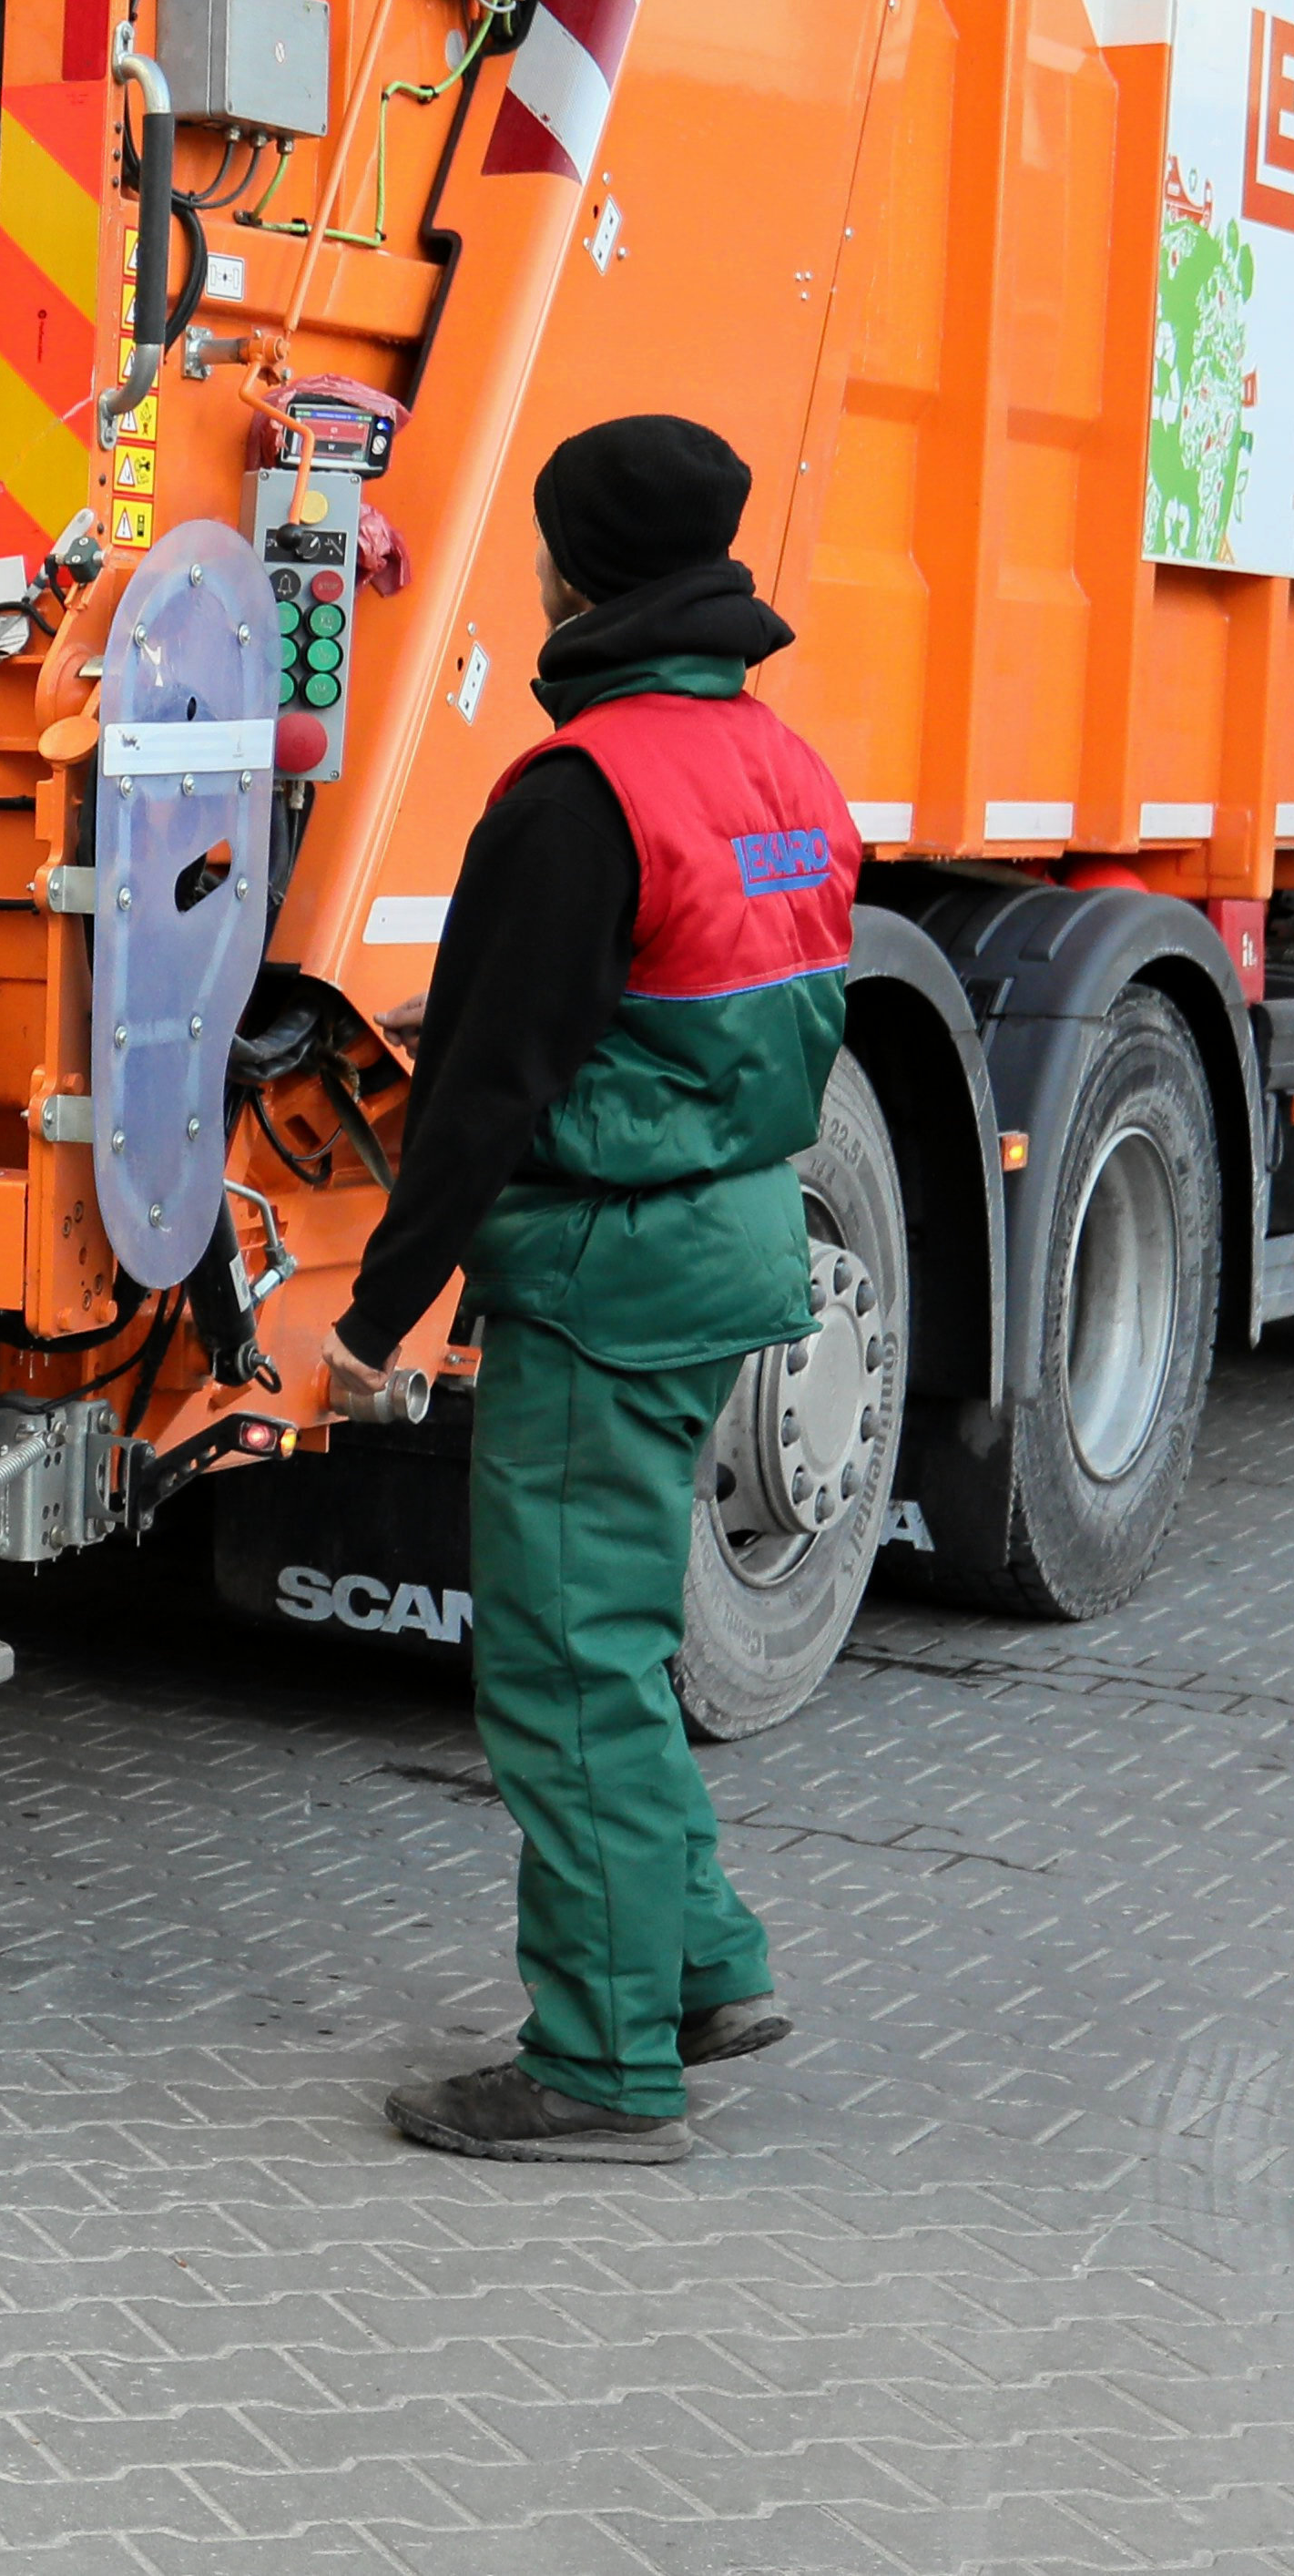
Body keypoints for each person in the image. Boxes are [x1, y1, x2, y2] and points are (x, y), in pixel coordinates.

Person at [320, 414, 855, 2166]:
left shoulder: (580, 795)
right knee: (615, 1637)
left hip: (602, 1272)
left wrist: (368, 1316)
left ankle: (602, 2064)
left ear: (575, 567)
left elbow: (486, 1084)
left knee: (563, 1669)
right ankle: (700, 1959)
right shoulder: (784, 769)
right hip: (731, 1243)